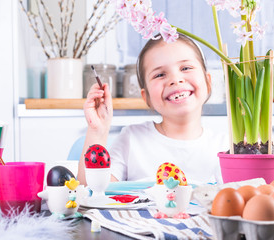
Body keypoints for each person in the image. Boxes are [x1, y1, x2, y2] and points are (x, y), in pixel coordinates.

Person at [77, 34, 227, 186]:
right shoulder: (132, 139)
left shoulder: (226, 148)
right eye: (160, 75)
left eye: (186, 68)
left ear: (208, 82)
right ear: (146, 97)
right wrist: (97, 131)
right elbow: (90, 191)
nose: (175, 79)